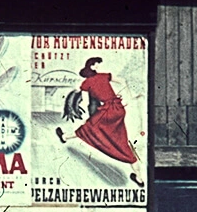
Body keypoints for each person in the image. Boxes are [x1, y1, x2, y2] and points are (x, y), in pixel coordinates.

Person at [55, 57, 144, 188]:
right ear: (91, 66)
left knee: (88, 128)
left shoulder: (86, 84)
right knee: (121, 140)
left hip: (108, 112)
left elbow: (85, 102)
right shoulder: (104, 76)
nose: (98, 67)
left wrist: (87, 117)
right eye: (97, 65)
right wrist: (128, 98)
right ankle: (139, 178)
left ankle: (65, 137)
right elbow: (123, 81)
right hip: (118, 110)